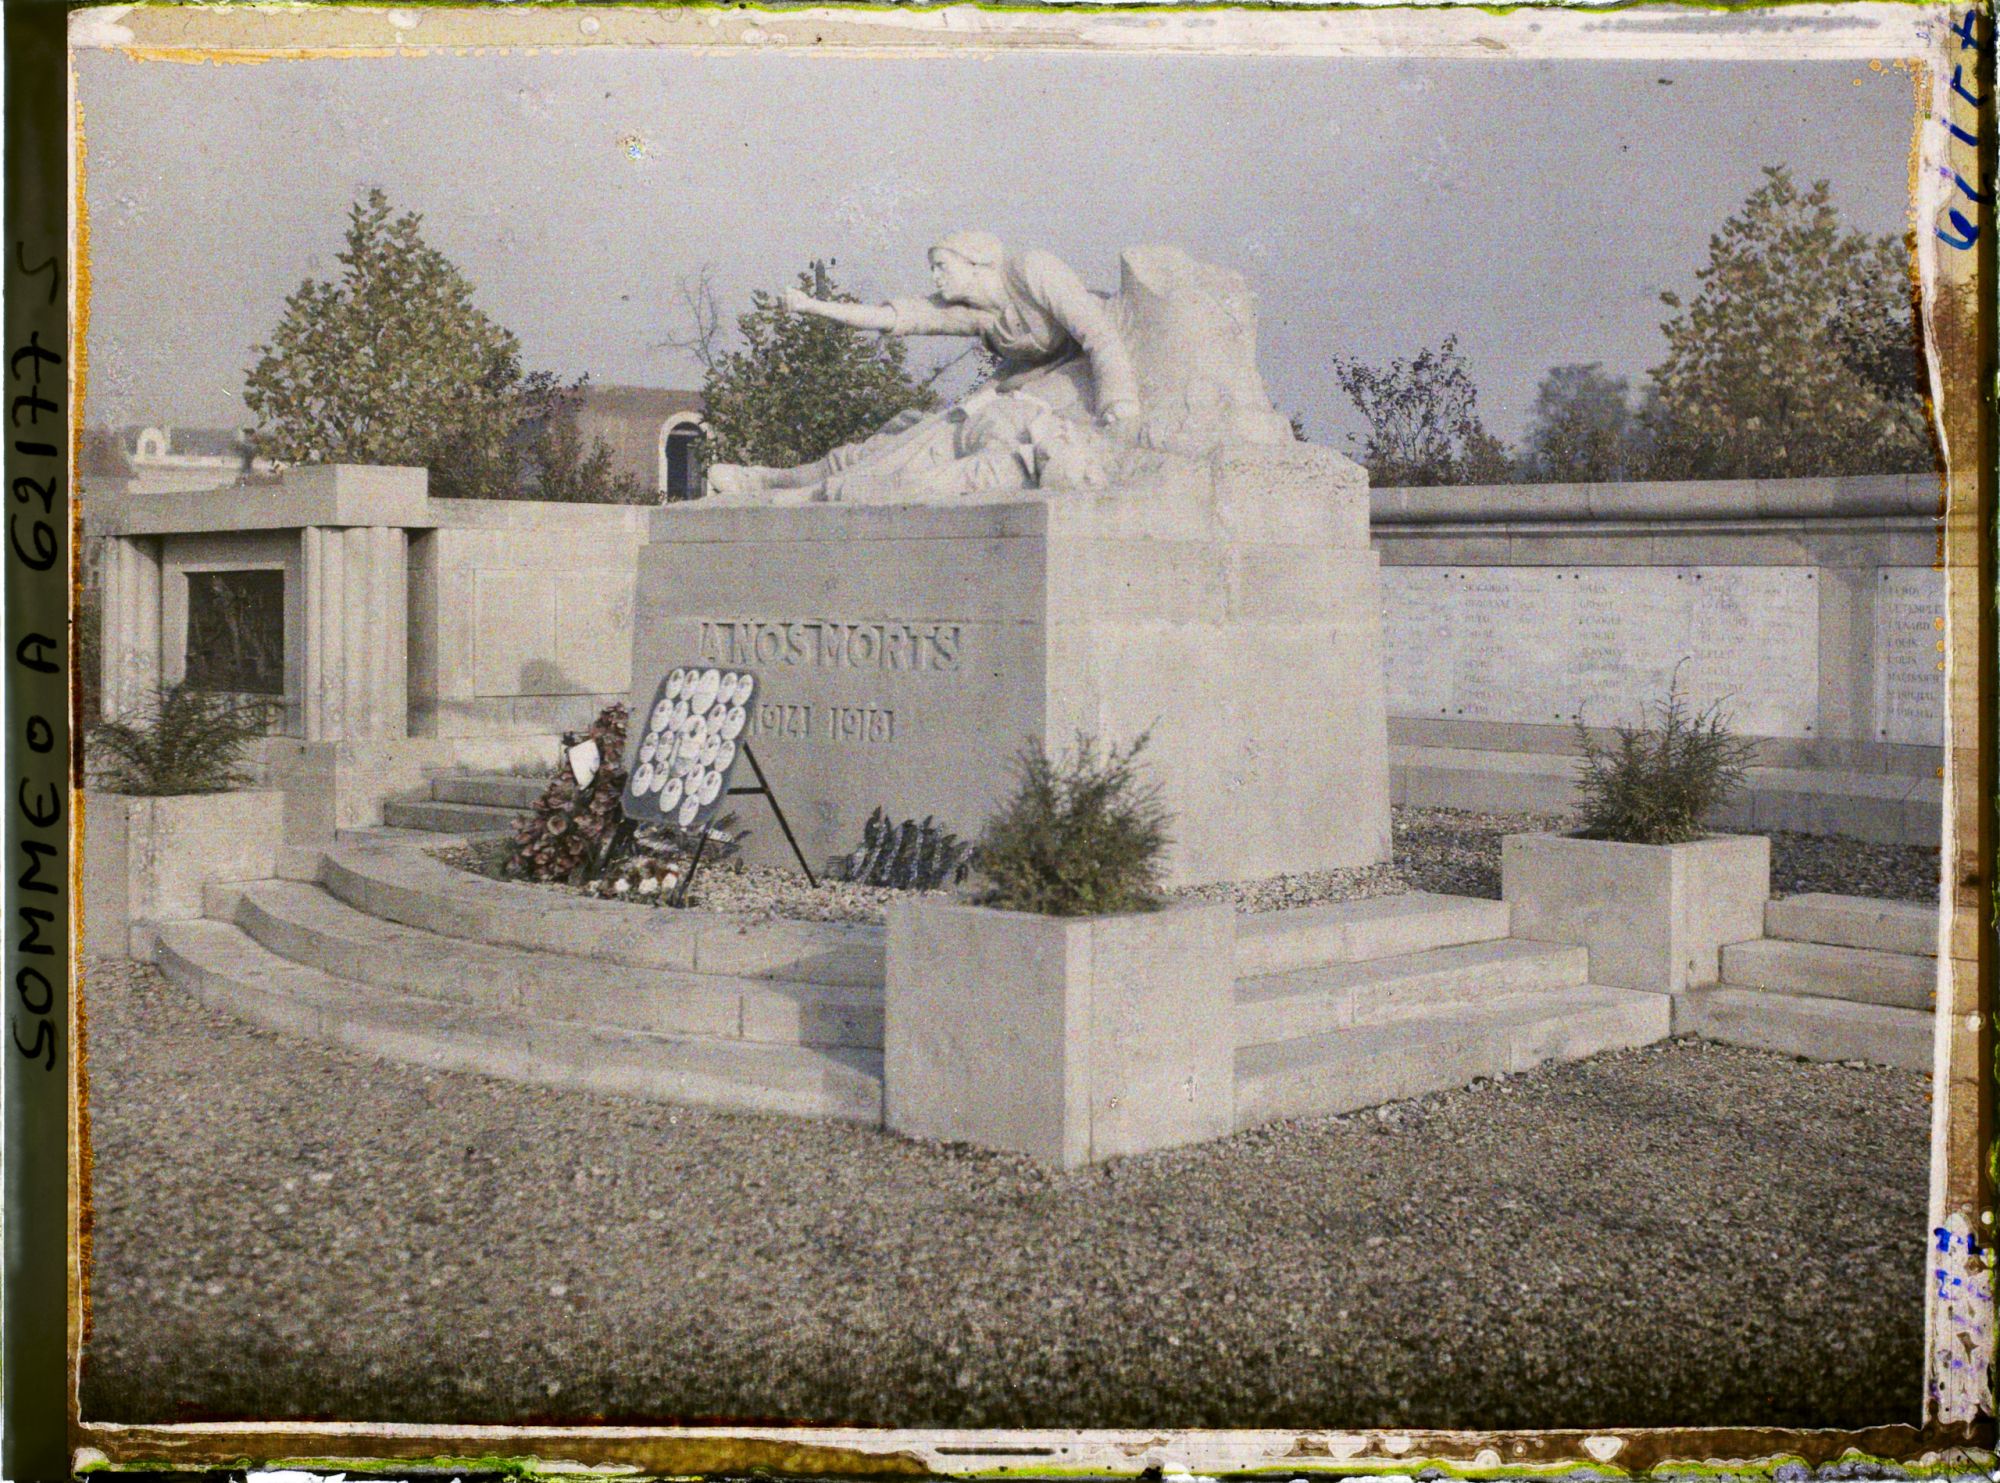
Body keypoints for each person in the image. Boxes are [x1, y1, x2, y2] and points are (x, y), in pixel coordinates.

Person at [705, 232, 1142, 503]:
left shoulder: (1033, 270)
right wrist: (813, 306)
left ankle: (800, 492)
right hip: (1018, 385)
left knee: (934, 446)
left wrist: (1119, 402)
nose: (935, 278)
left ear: (975, 264)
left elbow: (1098, 335)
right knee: (903, 436)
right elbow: (896, 317)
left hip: (1076, 380)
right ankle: (770, 480)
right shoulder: (974, 311)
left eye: (942, 267)